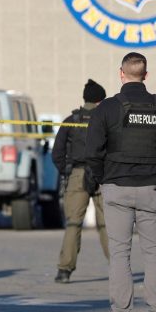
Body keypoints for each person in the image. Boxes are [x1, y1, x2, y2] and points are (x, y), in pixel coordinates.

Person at [85, 52, 156, 312]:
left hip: (117, 187)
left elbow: (92, 152)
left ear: (121, 74)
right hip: (151, 188)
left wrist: (103, 179)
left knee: (119, 254)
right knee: (154, 255)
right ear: (146, 75)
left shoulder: (107, 109)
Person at [52, 79, 109, 284]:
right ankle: (119, 268)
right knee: (108, 225)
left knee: (73, 224)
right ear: (99, 101)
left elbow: (57, 152)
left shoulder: (71, 120)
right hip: (103, 175)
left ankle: (64, 271)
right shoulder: (106, 120)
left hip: (77, 175)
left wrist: (67, 172)